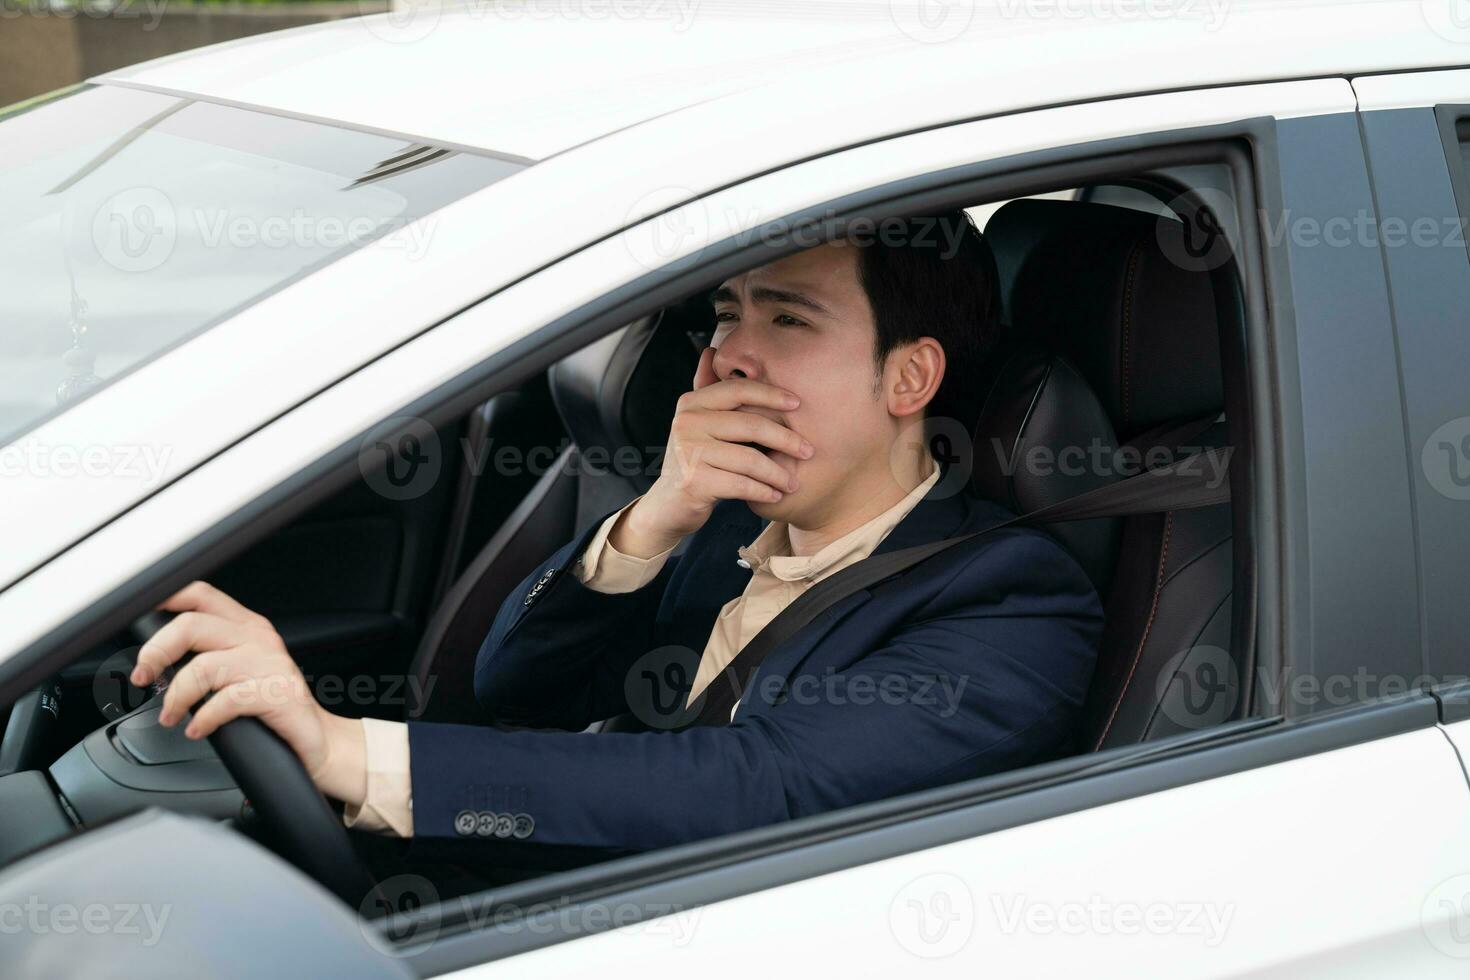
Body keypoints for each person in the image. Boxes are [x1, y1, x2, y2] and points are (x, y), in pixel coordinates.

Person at [130, 212, 1103, 859]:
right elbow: (516, 685)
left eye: (789, 319)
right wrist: (653, 517)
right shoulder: (725, 509)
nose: (726, 357)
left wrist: (346, 750)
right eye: (726, 316)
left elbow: (752, 790)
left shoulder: (1016, 603)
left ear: (908, 380)